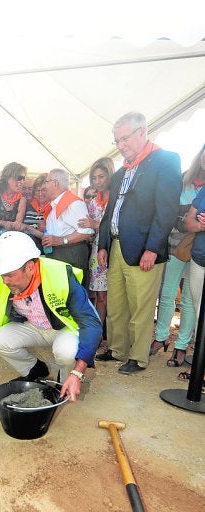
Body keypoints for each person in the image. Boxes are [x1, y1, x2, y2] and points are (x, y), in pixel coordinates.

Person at [0, 232, 102, 402]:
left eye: (10, 275)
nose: (5, 281)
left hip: (64, 329)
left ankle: (65, 381)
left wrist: (78, 372)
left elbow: (92, 323)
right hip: (34, 327)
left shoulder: (60, 277)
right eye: (3, 275)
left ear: (30, 267)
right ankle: (35, 371)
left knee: (66, 352)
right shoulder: (2, 282)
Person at [97, 111, 182, 374]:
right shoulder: (121, 171)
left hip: (145, 249)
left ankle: (138, 356)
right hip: (116, 246)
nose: (121, 145)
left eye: (124, 138)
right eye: (116, 141)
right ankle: (117, 349)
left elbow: (166, 210)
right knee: (118, 304)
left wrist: (153, 248)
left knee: (141, 306)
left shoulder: (165, 160)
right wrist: (103, 244)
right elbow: (110, 211)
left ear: (142, 131)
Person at [150, 144, 204, 366]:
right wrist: (190, 222)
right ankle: (160, 337)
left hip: (198, 250)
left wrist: (190, 221)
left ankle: (181, 345)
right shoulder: (182, 180)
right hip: (175, 245)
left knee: (191, 298)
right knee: (167, 293)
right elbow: (168, 210)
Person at [78, 157, 115, 331]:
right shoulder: (93, 202)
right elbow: (91, 228)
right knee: (100, 296)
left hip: (115, 250)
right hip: (97, 252)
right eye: (94, 178)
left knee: (116, 297)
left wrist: (94, 225)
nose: (97, 181)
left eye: (101, 176)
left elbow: (120, 226)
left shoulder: (118, 198)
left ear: (110, 175)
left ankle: (115, 335)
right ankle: (98, 334)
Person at [41, 169, 94, 286]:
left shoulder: (74, 204)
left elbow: (87, 231)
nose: (44, 186)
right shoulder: (55, 205)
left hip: (71, 254)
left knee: (74, 297)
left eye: (46, 181)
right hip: (58, 254)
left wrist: (61, 240)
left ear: (55, 183)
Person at [177, 186, 205, 386]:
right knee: (199, 313)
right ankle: (199, 365)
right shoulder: (203, 191)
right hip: (199, 258)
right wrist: (200, 226)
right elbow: (188, 221)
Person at [21, 173, 50, 249]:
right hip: (25, 246)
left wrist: (27, 228)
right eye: (37, 190)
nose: (40, 194)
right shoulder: (28, 205)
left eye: (44, 190)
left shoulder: (53, 207)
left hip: (44, 249)